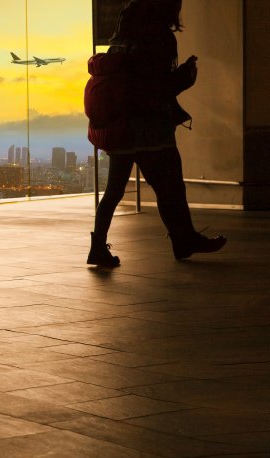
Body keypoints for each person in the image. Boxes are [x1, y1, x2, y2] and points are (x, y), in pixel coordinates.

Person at [86, 0, 226, 267]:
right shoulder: (159, 37)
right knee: (171, 186)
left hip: (121, 125)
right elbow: (157, 87)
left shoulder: (122, 36)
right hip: (150, 128)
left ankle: (97, 247)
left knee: (114, 191)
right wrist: (185, 76)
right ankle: (183, 239)